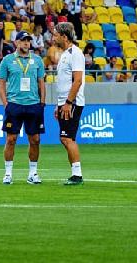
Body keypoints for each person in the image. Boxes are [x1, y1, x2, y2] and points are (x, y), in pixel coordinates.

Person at [0, 33, 46, 185]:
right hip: (14, 104)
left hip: (33, 104)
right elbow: (1, 84)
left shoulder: (37, 60)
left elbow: (41, 83)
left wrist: (42, 102)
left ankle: (33, 173)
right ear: (16, 42)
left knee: (35, 140)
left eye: (28, 41)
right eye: (23, 40)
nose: (26, 43)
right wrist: (6, 104)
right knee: (11, 139)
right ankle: (8, 174)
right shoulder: (7, 60)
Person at [51, 22, 85, 185]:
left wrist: (68, 103)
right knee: (65, 138)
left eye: (56, 34)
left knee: (67, 138)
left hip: (72, 102)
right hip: (64, 102)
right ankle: (75, 173)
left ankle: (77, 175)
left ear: (64, 37)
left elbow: (77, 80)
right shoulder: (65, 54)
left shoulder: (75, 53)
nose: (53, 38)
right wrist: (59, 104)